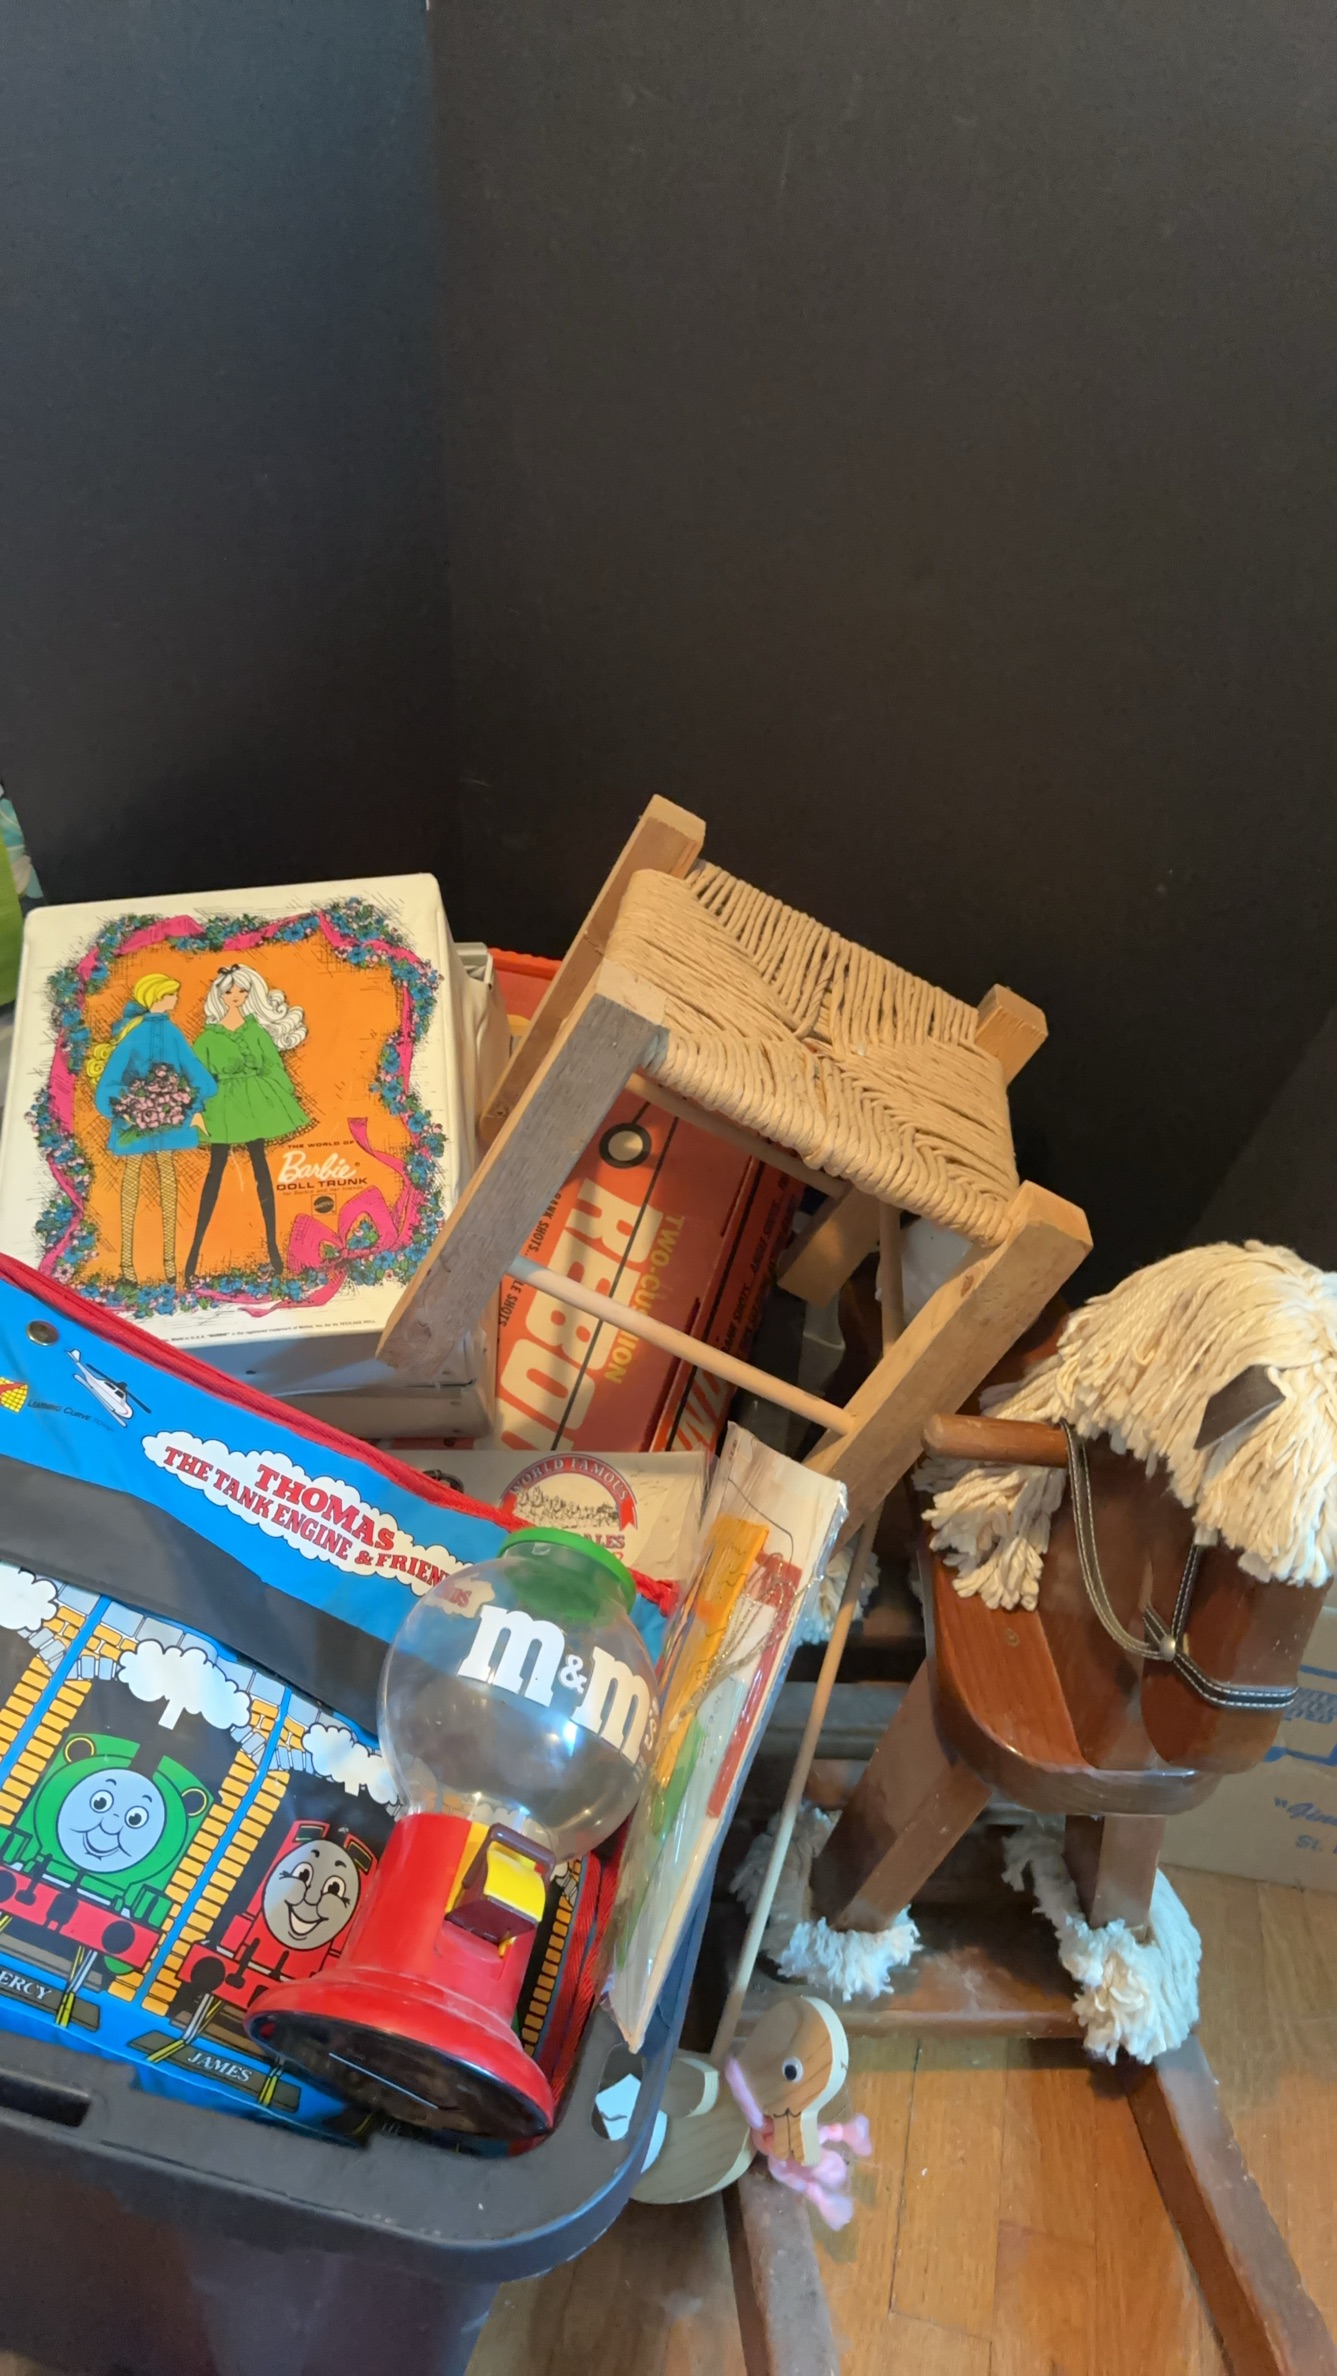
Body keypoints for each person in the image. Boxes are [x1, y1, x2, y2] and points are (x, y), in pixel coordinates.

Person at [89, 973, 218, 1286]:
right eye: (172, 993)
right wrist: (130, 1107)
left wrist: (191, 1101)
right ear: (159, 997)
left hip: (170, 1120)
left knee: (167, 1184)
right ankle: (127, 1266)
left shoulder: (171, 1033)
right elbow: (111, 1080)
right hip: (135, 1122)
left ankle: (169, 1264)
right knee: (133, 1184)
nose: (176, 998)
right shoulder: (134, 1035)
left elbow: (195, 1071)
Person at [184, 964, 309, 1283]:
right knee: (215, 1173)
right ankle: (194, 1255)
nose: (236, 996)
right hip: (222, 1106)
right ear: (219, 995)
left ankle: (273, 1252)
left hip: (255, 1105)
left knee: (261, 1172)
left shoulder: (256, 1032)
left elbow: (274, 1067)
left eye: (242, 990)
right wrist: (196, 1109)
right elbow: (196, 1077)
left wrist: (281, 1098)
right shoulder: (207, 1038)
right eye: (229, 991)